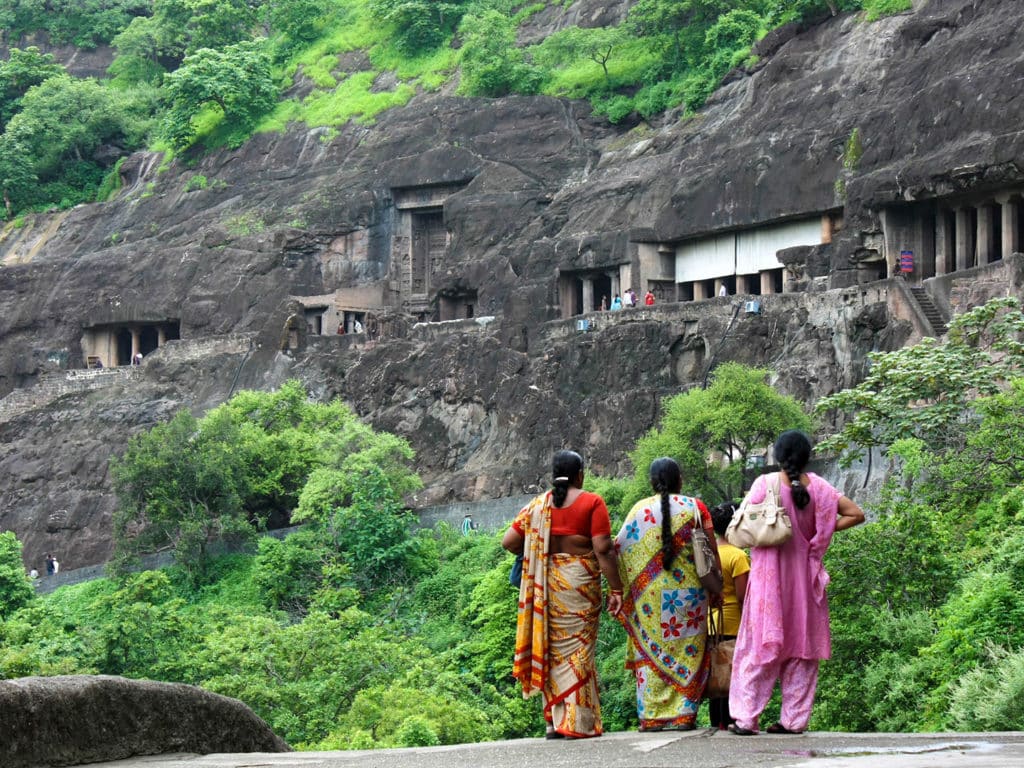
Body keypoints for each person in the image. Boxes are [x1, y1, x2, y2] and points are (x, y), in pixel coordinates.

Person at [728, 430, 865, 735]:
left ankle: (747, 719)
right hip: (805, 583)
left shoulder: (763, 484)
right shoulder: (820, 488)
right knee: (801, 651)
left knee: (760, 649)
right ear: (807, 457)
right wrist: (822, 532)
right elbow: (856, 514)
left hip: (769, 584)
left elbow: (744, 524)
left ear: (777, 456)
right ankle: (793, 722)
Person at [503, 450, 623, 739]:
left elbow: (508, 542)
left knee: (550, 650)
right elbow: (603, 549)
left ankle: (553, 722)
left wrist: (538, 550)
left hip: (545, 589)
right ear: (580, 474)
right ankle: (575, 722)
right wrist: (616, 588)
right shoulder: (592, 502)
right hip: (579, 589)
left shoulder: (536, 506)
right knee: (579, 653)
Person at [615, 457, 721, 732]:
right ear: (679, 480)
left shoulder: (638, 510)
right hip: (689, 596)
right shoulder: (695, 508)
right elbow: (710, 550)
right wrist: (716, 587)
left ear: (652, 481)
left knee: (651, 654)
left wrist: (632, 588)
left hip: (648, 598)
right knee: (688, 652)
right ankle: (684, 715)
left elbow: (619, 548)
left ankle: (651, 716)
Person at [706, 502, 750, 729]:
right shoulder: (738, 556)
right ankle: (733, 722)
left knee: (716, 676)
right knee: (733, 678)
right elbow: (743, 596)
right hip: (733, 623)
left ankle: (716, 725)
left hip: (710, 624)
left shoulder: (708, 556)